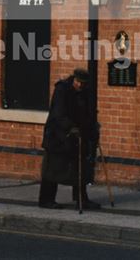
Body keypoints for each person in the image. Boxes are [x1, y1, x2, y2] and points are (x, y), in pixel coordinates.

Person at [38, 68, 101, 209]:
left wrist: (92, 127)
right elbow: (58, 113)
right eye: (78, 82)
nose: (80, 85)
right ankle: (46, 200)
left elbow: (87, 112)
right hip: (57, 136)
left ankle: (81, 199)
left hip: (76, 137)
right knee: (52, 169)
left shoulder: (85, 92)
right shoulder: (62, 90)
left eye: (83, 83)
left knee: (79, 168)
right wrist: (70, 127)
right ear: (74, 79)